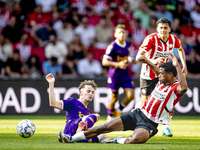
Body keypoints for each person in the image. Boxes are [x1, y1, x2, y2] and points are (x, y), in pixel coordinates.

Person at [58, 52, 188, 144]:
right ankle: (72, 139)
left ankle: (115, 140)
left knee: (134, 140)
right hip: (137, 114)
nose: (158, 75)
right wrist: (147, 61)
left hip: (149, 123)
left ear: (170, 75)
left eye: (162, 74)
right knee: (104, 127)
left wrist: (178, 66)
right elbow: (157, 71)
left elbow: (184, 88)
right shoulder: (161, 80)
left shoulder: (176, 87)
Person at [135, 17, 187, 136]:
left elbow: (180, 49)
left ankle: (166, 127)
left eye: (165, 28)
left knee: (169, 100)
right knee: (145, 104)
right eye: (160, 28)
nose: (163, 30)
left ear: (169, 28)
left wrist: (184, 65)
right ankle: (138, 113)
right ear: (157, 29)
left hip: (163, 75)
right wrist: (153, 60)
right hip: (147, 74)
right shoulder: (150, 39)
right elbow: (138, 57)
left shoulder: (173, 39)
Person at [45, 74, 107, 143]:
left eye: (92, 92)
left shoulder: (88, 111)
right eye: (88, 91)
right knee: (97, 116)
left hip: (77, 134)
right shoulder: (73, 101)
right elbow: (53, 103)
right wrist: (51, 83)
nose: (91, 94)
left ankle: (74, 139)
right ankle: (77, 133)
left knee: (103, 135)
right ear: (81, 92)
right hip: (70, 128)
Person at [102, 24, 136, 122]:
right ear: (115, 34)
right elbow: (104, 62)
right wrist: (118, 64)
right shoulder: (112, 46)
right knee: (114, 98)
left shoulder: (128, 45)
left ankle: (119, 109)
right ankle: (109, 117)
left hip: (125, 75)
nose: (122, 34)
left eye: (123, 32)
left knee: (131, 95)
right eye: (119, 33)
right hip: (114, 75)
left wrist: (131, 59)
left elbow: (128, 56)